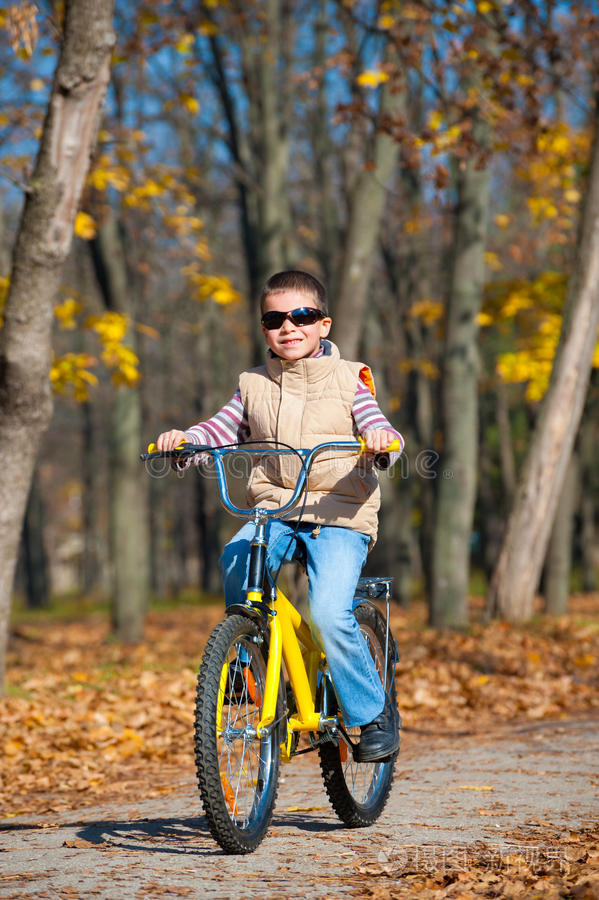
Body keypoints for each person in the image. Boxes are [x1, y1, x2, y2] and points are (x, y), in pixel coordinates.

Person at [156, 270, 404, 761]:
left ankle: (373, 712)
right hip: (275, 508)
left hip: (341, 512)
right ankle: (251, 664)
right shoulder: (253, 384)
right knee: (236, 559)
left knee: (329, 612)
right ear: (264, 327)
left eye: (303, 316)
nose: (289, 327)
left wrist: (381, 444)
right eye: (275, 318)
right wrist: (187, 441)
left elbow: (378, 424)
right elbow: (221, 428)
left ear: (323, 324)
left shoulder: (349, 378)